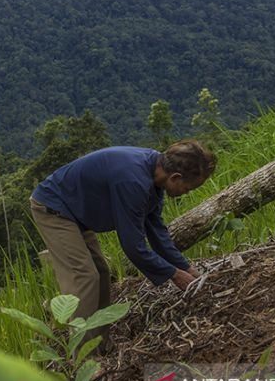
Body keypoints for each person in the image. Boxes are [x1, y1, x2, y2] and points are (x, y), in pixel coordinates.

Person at [29, 140, 216, 349]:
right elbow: (134, 248)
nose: (186, 192)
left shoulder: (155, 174)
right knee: (84, 276)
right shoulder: (133, 181)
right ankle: (84, 361)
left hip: (78, 211)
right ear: (175, 177)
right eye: (188, 188)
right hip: (55, 208)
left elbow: (156, 231)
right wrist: (174, 274)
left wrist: (186, 267)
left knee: (100, 273)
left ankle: (101, 344)